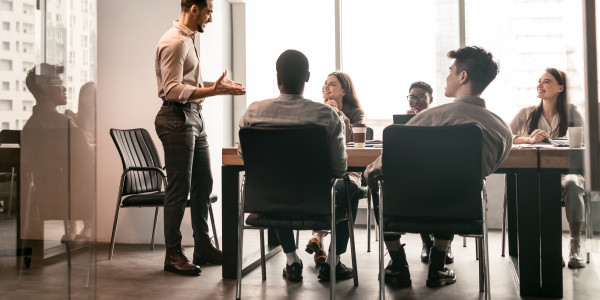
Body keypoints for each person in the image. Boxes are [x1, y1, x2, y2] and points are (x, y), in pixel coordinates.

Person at [365, 46, 513, 288]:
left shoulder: (426, 118)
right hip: (460, 211)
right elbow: (483, 171)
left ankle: (398, 264)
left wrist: (371, 172)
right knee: (453, 187)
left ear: (463, 76)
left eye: (451, 70)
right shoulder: (501, 130)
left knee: (378, 183)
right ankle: (438, 266)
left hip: (406, 207)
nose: (447, 76)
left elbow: (381, 166)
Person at [238, 49, 360, 282]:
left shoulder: (253, 112)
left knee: (277, 185)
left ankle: (292, 260)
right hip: (317, 202)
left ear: (277, 77)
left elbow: (247, 159)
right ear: (307, 77)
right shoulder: (326, 115)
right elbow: (339, 168)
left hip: (269, 201)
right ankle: (332, 262)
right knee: (351, 189)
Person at [155, 0, 246, 276]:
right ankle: (172, 254)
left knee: (203, 182)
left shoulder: (189, 39)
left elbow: (189, 84)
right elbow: (172, 90)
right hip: (177, 118)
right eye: (209, 13)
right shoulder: (175, 43)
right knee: (179, 189)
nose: (210, 19)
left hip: (194, 117)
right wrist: (216, 92)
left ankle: (203, 246)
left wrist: (220, 88)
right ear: (194, 9)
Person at [509, 67, 586, 268]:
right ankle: (549, 246)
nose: (540, 85)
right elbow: (504, 137)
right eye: (539, 81)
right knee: (534, 188)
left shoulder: (573, 113)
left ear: (561, 88)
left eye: (547, 81)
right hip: (534, 174)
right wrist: (529, 138)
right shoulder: (526, 113)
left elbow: (584, 143)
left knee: (572, 183)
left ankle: (575, 244)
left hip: (566, 173)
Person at [305, 71, 364, 268]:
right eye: (324, 83)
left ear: (344, 90)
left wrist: (338, 114)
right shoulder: (315, 109)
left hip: (348, 168)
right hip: (321, 170)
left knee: (347, 188)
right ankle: (328, 253)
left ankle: (319, 238)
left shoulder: (356, 113)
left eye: (332, 84)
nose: (326, 87)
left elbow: (349, 142)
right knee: (338, 192)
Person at [403, 81, 454, 264]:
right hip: (414, 170)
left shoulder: (440, 118)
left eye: (421, 96)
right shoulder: (404, 120)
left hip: (439, 169)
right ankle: (426, 243)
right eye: (412, 97)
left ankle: (444, 245)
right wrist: (408, 124)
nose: (416, 101)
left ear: (431, 99)